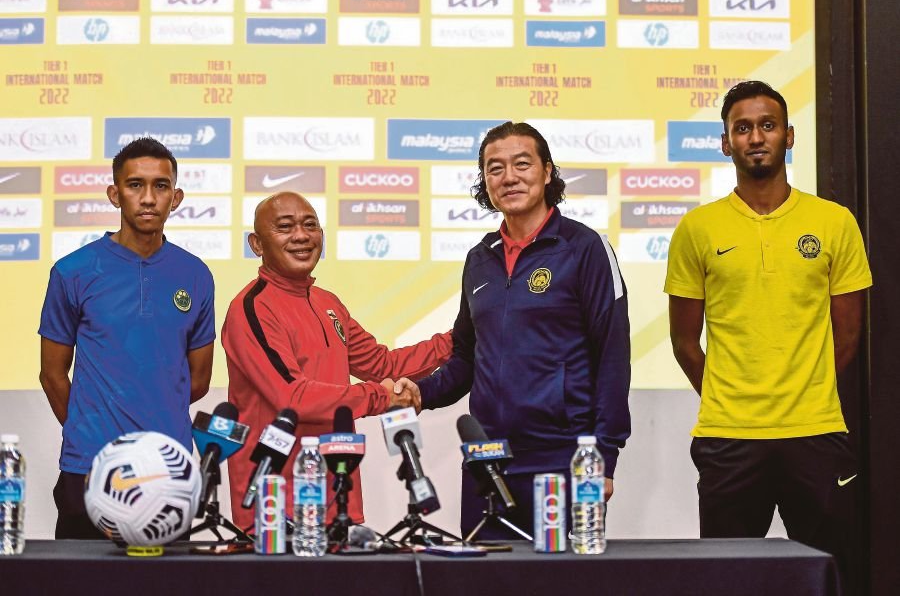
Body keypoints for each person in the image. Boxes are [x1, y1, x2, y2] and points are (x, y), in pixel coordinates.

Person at [664, 80, 872, 584]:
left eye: (767, 125)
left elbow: (847, 335)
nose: (756, 137)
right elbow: (684, 342)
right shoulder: (698, 228)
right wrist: (729, 394)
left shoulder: (834, 222)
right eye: (742, 128)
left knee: (831, 576)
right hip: (728, 437)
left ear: (789, 136)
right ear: (725, 143)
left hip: (815, 433)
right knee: (726, 582)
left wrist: (804, 386)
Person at [396, 122, 631, 539]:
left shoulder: (585, 249)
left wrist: (603, 459)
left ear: (547, 172)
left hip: (563, 460)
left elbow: (613, 358)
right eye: (494, 168)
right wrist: (421, 392)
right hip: (487, 459)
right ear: (484, 182)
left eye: (522, 164)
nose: (509, 177)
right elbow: (467, 358)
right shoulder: (479, 259)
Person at [222, 191, 452, 533]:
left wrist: (459, 338)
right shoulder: (252, 307)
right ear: (256, 244)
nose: (301, 236)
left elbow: (383, 365)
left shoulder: (327, 302)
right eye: (285, 227)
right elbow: (293, 398)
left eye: (310, 225)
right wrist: (382, 397)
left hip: (338, 497)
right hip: (276, 505)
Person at [38, 137, 215, 539]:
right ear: (115, 194)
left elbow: (198, 379)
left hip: (168, 473)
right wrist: (92, 433)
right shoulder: (73, 271)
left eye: (161, 186)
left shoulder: (196, 275)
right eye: (135, 185)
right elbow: (52, 375)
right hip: (88, 469)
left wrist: (150, 419)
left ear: (177, 196)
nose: (148, 197)